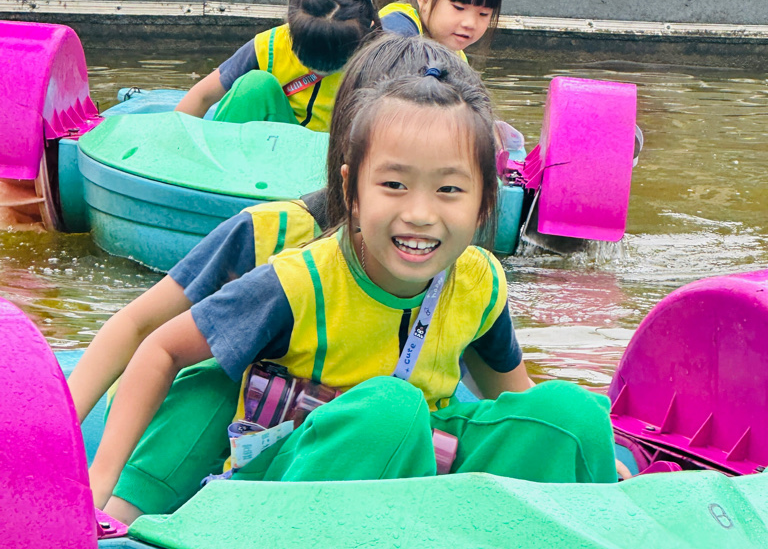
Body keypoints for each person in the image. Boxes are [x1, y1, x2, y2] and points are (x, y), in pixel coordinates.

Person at [88, 67, 618, 521]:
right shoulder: (299, 281)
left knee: (572, 414)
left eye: (449, 190)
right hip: (298, 474)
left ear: (484, 204)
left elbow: (516, 396)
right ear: (352, 191)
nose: (420, 213)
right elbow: (162, 347)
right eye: (394, 185)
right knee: (391, 412)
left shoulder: (480, 282)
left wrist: (593, 448)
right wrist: (99, 484)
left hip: (421, 469)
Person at [67, 35, 476, 433]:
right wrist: (60, 430)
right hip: (214, 420)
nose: (421, 210)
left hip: (356, 433)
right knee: (214, 384)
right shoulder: (270, 232)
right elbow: (139, 325)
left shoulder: (447, 255)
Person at [174, 0, 379, 132]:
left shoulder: (381, 58)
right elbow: (202, 97)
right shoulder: (269, 46)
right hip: (275, 145)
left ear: (368, 30)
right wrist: (171, 143)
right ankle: (224, 152)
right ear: (291, 26)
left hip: (337, 150)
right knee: (255, 84)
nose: (320, 71)